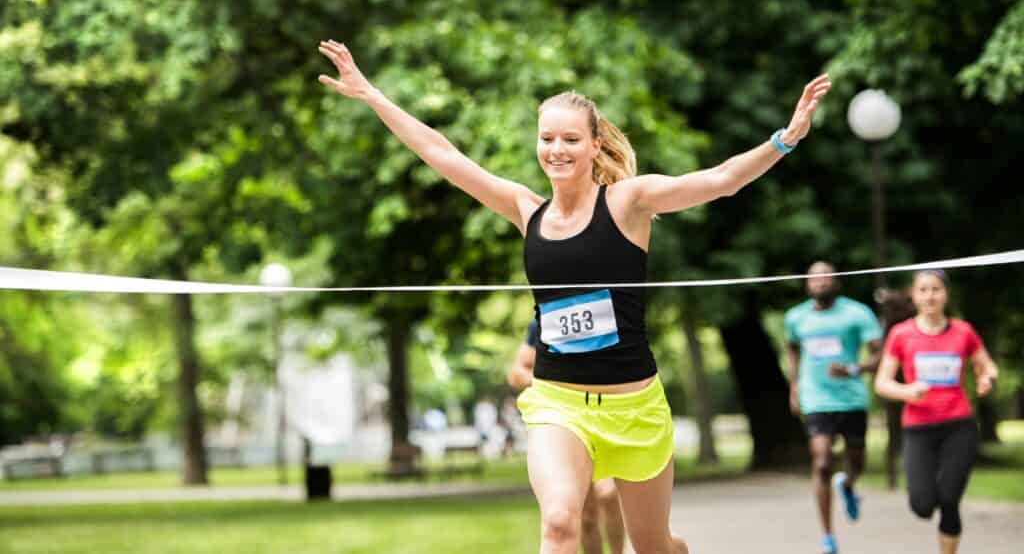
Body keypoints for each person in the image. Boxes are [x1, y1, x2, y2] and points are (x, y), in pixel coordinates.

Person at [318, 38, 830, 554]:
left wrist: (785, 138)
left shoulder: (628, 203)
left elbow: (720, 181)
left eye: (569, 139)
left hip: (636, 409)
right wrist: (372, 95)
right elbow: (442, 153)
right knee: (560, 524)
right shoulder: (525, 209)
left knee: (653, 547)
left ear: (593, 144)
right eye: (547, 139)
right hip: (558, 404)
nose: (556, 149)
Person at [874, 270, 999, 554]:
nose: (930, 296)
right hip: (918, 429)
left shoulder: (963, 331)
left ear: (946, 294)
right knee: (922, 505)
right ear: (914, 296)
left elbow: (987, 365)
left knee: (949, 497)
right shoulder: (901, 333)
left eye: (936, 289)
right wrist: (907, 391)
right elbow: (882, 382)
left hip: (959, 426)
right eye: (923, 290)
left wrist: (986, 378)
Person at [785, 262, 883, 554]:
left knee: (857, 460)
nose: (820, 282)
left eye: (826, 276)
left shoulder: (857, 313)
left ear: (837, 282)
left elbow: (881, 354)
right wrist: (794, 386)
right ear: (807, 284)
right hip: (817, 399)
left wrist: (855, 368)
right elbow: (792, 348)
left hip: (851, 398)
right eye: (814, 277)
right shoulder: (795, 317)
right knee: (822, 460)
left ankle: (850, 485)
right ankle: (828, 536)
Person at [508, 319, 627, 554]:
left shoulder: (612, 307)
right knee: (587, 513)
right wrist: (553, 383)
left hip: (609, 414)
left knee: (609, 493)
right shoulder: (546, 318)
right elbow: (516, 372)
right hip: (567, 422)